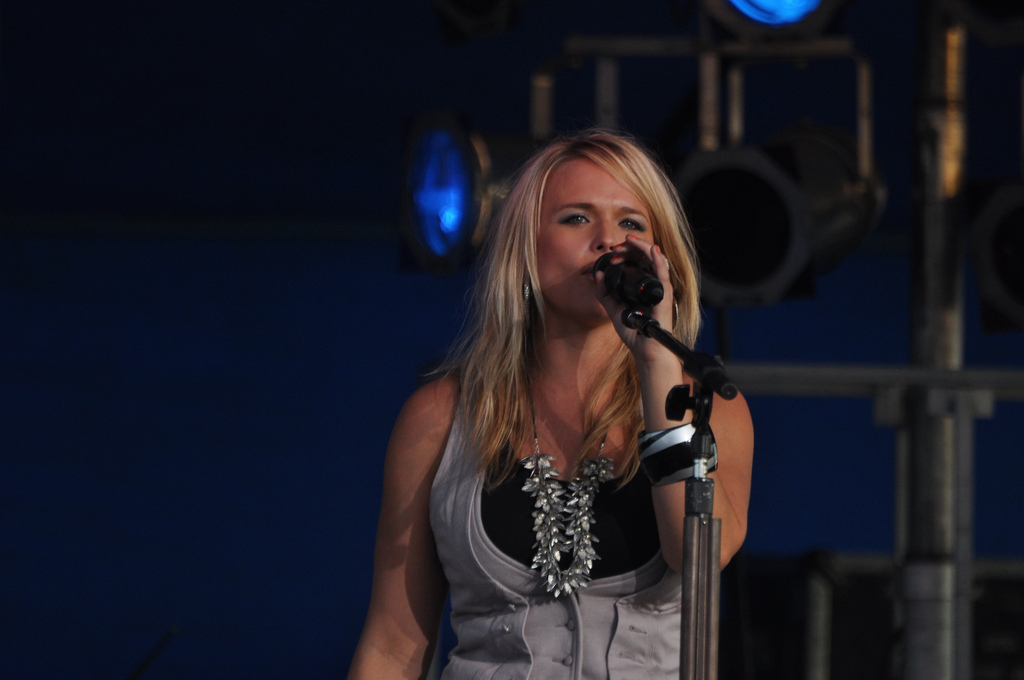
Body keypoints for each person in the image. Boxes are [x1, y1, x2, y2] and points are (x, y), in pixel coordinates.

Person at [348, 129, 754, 680]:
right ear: (526, 248)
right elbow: (392, 648)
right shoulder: (441, 417)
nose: (608, 240)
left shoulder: (709, 408)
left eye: (631, 223)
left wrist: (657, 365)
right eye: (576, 218)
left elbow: (699, 553)